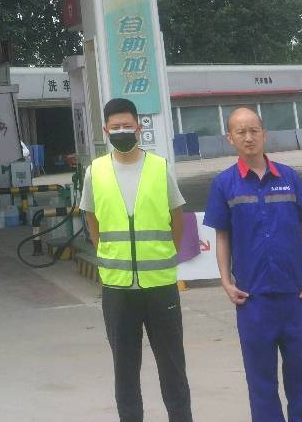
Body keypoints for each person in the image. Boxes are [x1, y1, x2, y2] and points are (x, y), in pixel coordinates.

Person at [203, 108, 302, 422]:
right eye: (240, 132)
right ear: (230, 138)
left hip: (296, 296)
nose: (248, 137)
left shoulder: (289, 178)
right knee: (261, 384)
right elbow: (222, 236)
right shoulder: (224, 184)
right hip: (253, 300)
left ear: (264, 134)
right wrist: (226, 282)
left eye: (254, 130)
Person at [80, 97, 194, 422]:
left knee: (172, 367)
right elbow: (92, 220)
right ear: (106, 131)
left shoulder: (159, 167)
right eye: (115, 127)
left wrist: (165, 254)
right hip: (117, 289)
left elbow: (176, 217)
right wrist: (109, 255)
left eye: (127, 125)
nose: (121, 131)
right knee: (125, 371)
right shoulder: (95, 172)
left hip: (160, 286)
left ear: (138, 127)